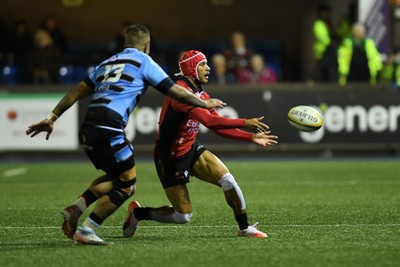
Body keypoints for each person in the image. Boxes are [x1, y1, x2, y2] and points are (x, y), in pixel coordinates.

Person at [25, 25, 226, 246]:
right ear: (147, 45)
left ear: (125, 44)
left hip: (88, 129)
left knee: (117, 177)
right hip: (109, 127)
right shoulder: (144, 61)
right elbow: (175, 90)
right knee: (127, 186)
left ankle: (77, 208)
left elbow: (75, 92)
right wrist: (203, 102)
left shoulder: (107, 63)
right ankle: (87, 229)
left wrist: (51, 118)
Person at [122, 50, 278, 239]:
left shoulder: (200, 93)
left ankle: (244, 228)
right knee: (183, 216)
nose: (208, 67)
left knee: (228, 180)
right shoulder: (180, 93)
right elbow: (210, 122)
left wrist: (250, 137)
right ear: (190, 68)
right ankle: (138, 214)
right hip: (170, 157)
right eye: (202, 64)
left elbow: (219, 127)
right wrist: (245, 122)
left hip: (190, 148)